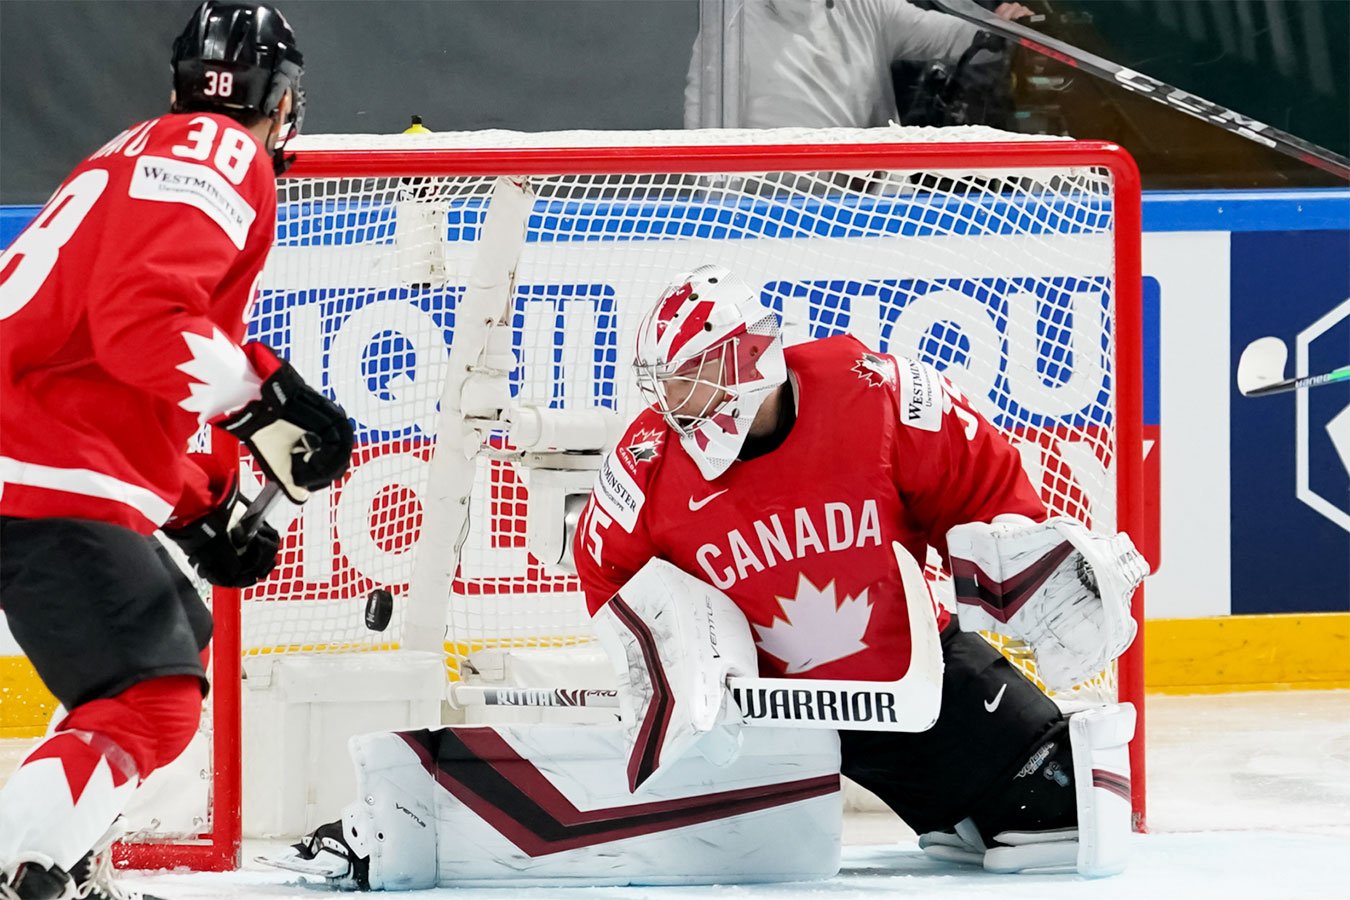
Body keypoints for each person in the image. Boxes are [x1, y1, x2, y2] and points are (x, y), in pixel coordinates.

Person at [571, 264, 1147, 876]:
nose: (676, 404)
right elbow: (607, 577)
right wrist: (675, 677)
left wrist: (1030, 564)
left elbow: (982, 483)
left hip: (908, 685)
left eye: (694, 379)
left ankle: (960, 811)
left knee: (1068, 808)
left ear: (754, 357)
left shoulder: (878, 394)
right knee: (736, 870)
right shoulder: (644, 466)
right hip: (765, 720)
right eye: (668, 384)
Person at [0, 3, 353, 898]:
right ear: (282, 102)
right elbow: (142, 326)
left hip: (30, 455)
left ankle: (52, 859)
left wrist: (203, 506)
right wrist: (270, 400)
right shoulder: (221, 153)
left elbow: (130, 365)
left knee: (169, 647)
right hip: (29, 459)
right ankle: (22, 867)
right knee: (149, 696)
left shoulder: (140, 149)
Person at [685, 0, 1033, 129]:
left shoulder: (869, 7)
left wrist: (1004, 24)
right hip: (769, 219)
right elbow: (700, 143)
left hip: (871, 210)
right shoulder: (727, 28)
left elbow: (959, 37)